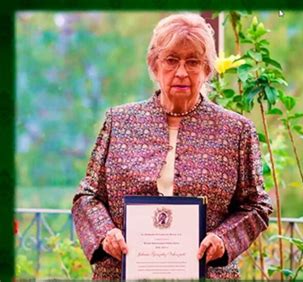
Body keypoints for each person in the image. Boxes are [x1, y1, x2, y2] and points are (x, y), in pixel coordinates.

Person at [71, 13, 273, 280]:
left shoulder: (235, 130)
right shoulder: (119, 122)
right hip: (120, 273)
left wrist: (223, 240)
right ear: (155, 66)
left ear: (207, 69)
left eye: (193, 62)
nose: (181, 72)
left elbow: (256, 205)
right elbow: (87, 196)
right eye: (171, 60)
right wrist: (105, 233)